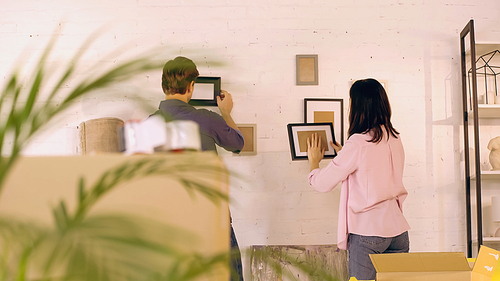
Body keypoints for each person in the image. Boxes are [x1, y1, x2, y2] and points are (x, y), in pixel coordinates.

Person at [306, 78, 410, 280]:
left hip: (368, 232)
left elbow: (322, 183)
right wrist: (344, 153)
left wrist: (314, 163)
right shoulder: (395, 138)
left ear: (358, 107)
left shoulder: (357, 142)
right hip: (398, 231)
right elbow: (377, 170)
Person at [154, 56, 245, 281]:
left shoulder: (149, 125)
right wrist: (226, 112)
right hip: (211, 218)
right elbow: (238, 144)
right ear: (191, 86)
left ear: (163, 86)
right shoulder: (205, 119)